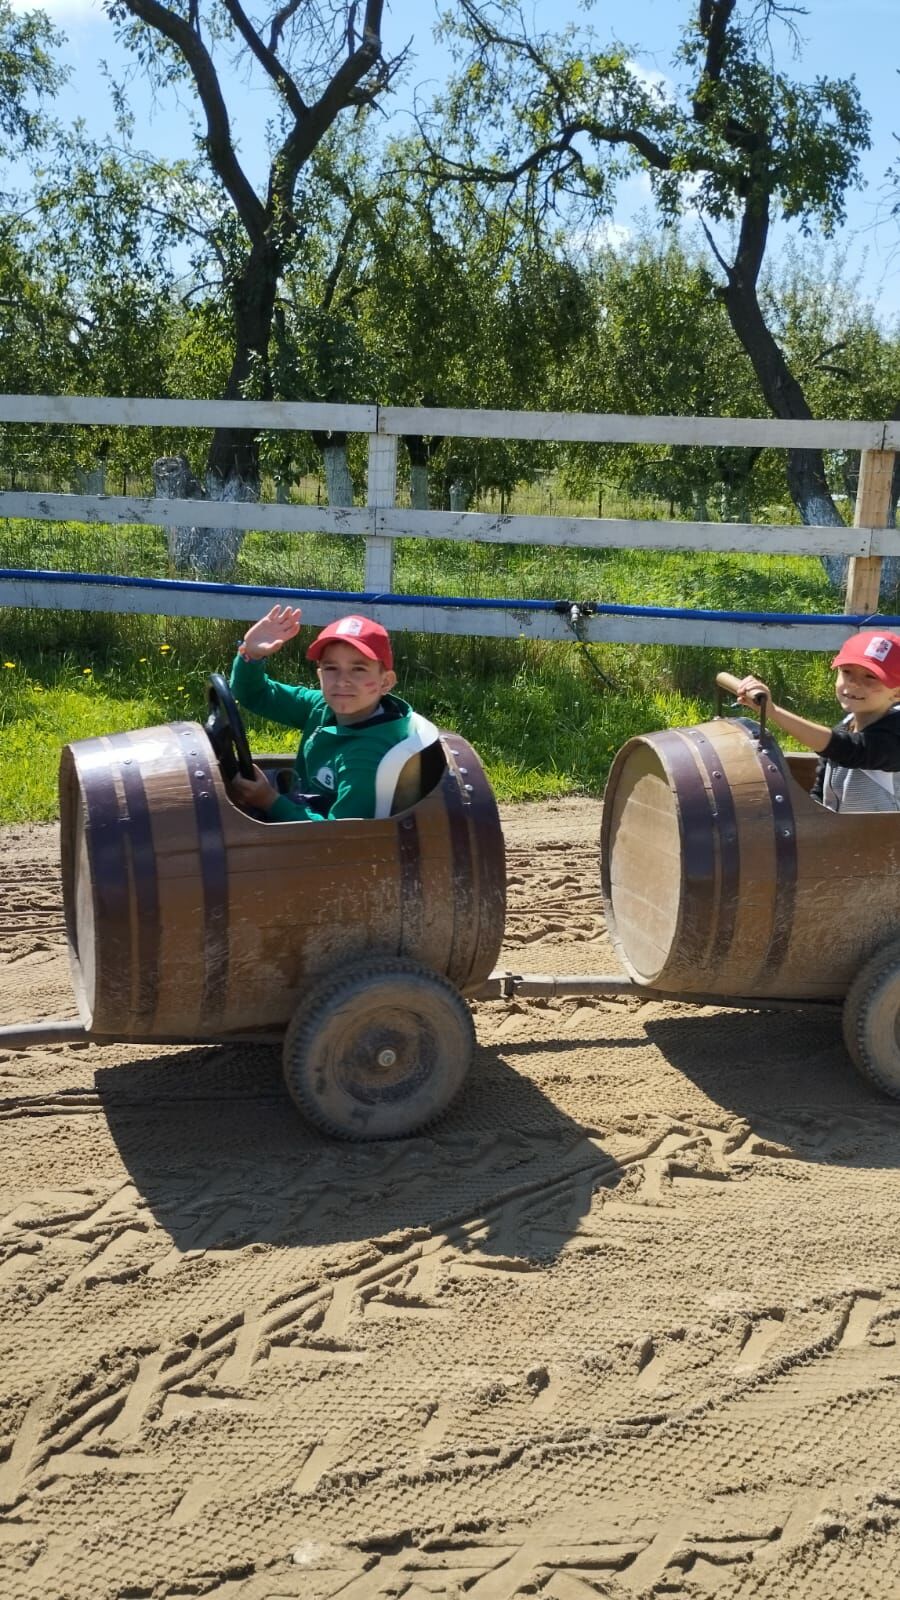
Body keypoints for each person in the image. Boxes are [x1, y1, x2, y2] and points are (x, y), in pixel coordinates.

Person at [227, 603, 419, 822]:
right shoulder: (321, 705)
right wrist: (251, 654)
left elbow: (338, 834)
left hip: (314, 836)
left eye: (358, 669)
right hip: (301, 804)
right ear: (320, 675)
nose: (342, 681)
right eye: (331, 668)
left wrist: (270, 801)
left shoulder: (365, 759)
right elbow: (254, 694)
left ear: (385, 682)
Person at [735, 629, 900, 814]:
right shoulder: (846, 726)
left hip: (888, 832)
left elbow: (849, 749)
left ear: (897, 693)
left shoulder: (894, 735)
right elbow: (820, 791)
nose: (853, 682)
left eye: (871, 677)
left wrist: (773, 712)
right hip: (845, 830)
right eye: (846, 672)